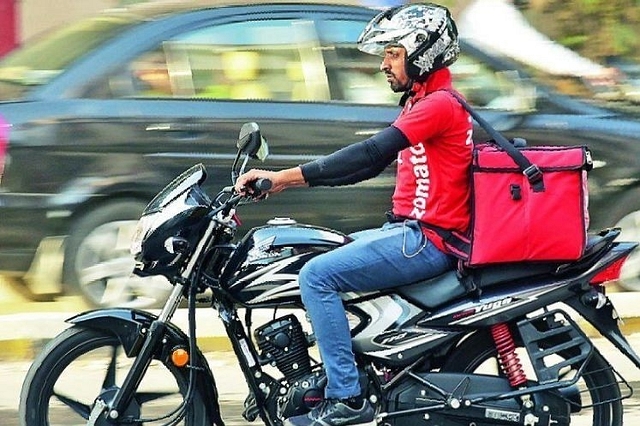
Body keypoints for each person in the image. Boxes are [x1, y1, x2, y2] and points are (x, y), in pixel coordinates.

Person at [234, 4, 472, 426]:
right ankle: (321, 377)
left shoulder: (439, 105)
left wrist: (283, 178)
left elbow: (367, 153)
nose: (384, 64)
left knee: (317, 276)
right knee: (310, 254)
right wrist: (287, 185)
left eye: (394, 53)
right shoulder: (423, 101)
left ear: (424, 53)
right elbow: (367, 167)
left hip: (426, 240)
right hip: (406, 232)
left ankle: (347, 397)